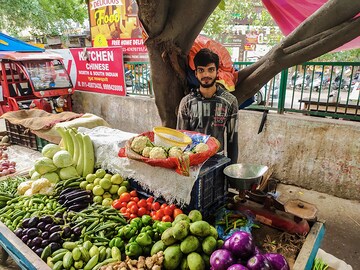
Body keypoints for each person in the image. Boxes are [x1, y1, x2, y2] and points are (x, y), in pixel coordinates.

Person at [177, 48, 239, 163]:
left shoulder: (229, 101)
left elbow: (232, 140)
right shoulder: (186, 103)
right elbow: (181, 139)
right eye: (201, 70)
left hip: (218, 161)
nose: (206, 74)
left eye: (211, 70)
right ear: (196, 73)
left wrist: (231, 171)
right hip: (193, 162)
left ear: (217, 72)